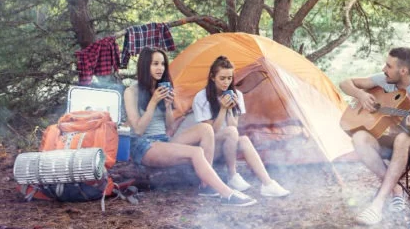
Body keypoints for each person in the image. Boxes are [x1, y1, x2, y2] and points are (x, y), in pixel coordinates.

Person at [124, 47, 257, 207]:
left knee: (205, 129)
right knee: (196, 152)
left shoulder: (161, 88)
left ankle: (206, 186)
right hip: (144, 145)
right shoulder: (131, 91)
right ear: (145, 65)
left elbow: (169, 127)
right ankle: (227, 194)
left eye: (163, 64)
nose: (160, 68)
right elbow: (138, 129)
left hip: (164, 141)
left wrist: (166, 106)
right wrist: (153, 102)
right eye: (155, 64)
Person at [340, 47, 410, 225]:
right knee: (359, 137)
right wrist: (361, 95)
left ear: (403, 71)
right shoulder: (383, 80)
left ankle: (376, 205)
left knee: (402, 138)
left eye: (388, 66)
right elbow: (344, 83)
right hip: (388, 137)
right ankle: (396, 188)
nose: (384, 69)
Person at [192, 56, 290, 198]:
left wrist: (231, 108)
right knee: (232, 132)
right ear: (212, 77)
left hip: (229, 143)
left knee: (242, 139)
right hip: (209, 148)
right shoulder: (201, 97)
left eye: (229, 78)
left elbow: (233, 126)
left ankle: (268, 184)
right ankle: (232, 175)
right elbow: (210, 133)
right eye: (222, 78)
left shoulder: (237, 95)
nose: (226, 82)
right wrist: (223, 109)